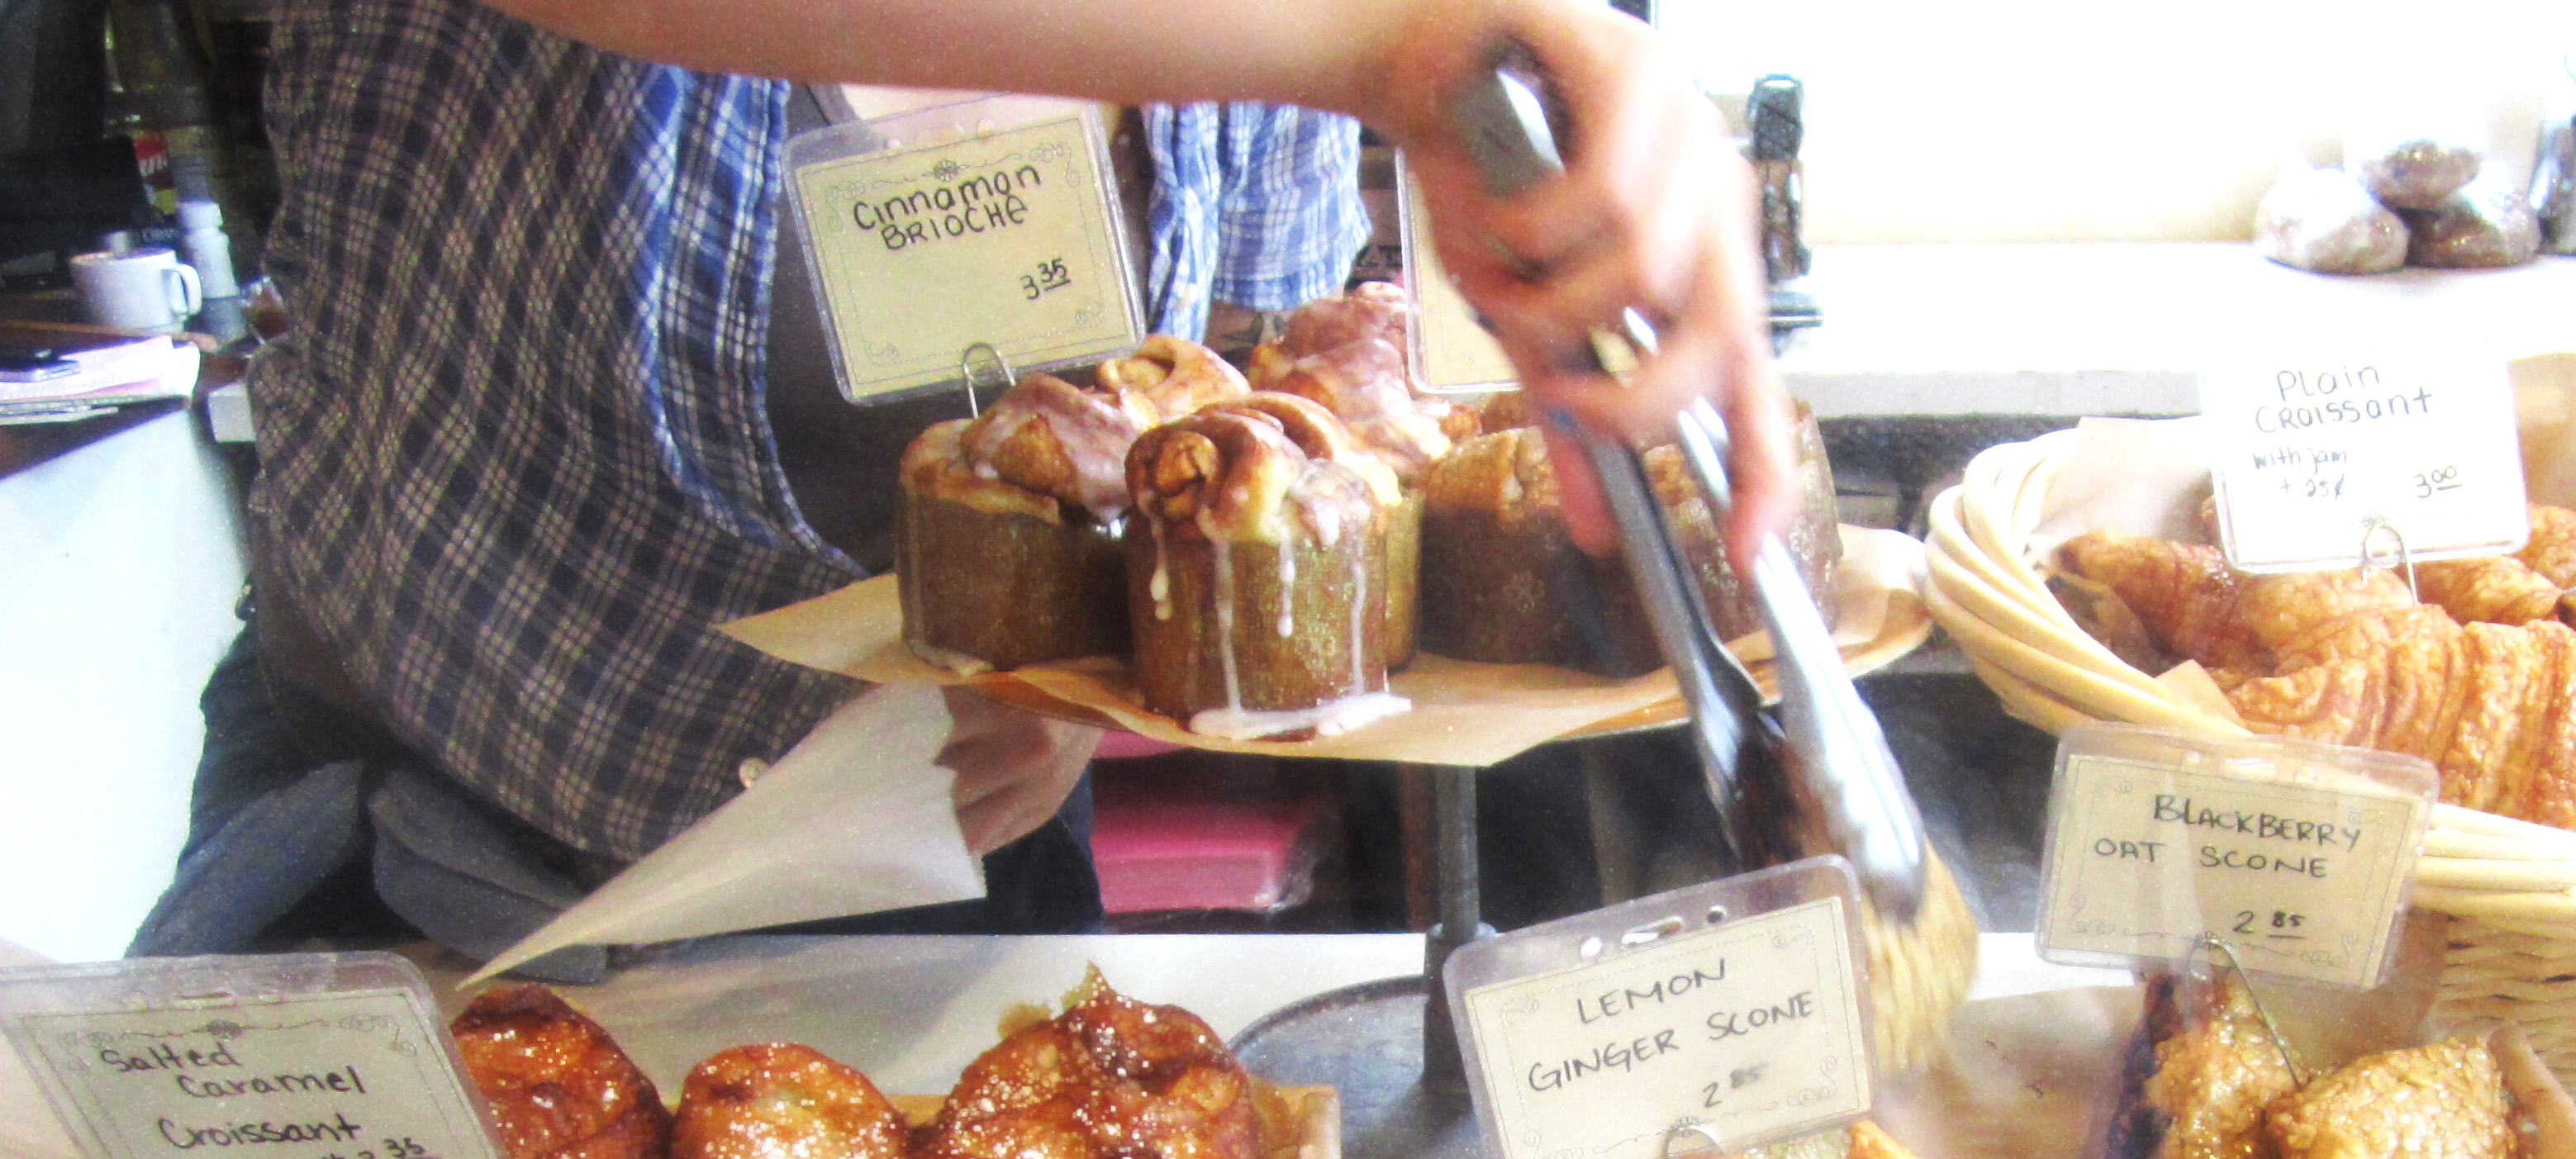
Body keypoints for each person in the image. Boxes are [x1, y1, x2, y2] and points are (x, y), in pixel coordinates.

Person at [135, 0, 1792, 967]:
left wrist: (1077, 665)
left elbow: (1221, 388)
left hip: (940, 878)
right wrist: (1379, 40)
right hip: (440, 865)